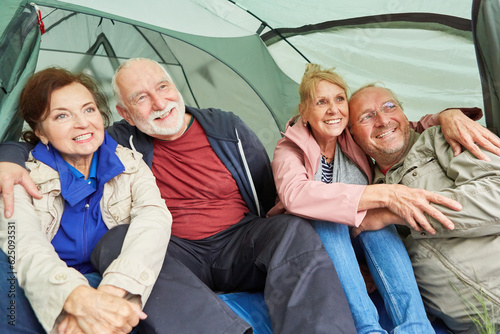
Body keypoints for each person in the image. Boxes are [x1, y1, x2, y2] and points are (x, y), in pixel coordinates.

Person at [0, 58, 358, 333]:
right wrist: (7, 158)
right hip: (175, 252)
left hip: (237, 240)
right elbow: (23, 236)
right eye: (141, 98)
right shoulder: (120, 142)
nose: (159, 102)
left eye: (163, 87)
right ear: (124, 113)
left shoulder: (221, 129)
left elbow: (263, 192)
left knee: (290, 229)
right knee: (119, 240)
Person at [268, 63, 475, 333]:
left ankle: (416, 327)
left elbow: (402, 127)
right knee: (329, 219)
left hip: (354, 240)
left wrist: (447, 115)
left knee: (376, 221)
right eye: (321, 102)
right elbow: (296, 195)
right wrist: (377, 193)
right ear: (304, 113)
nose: (333, 110)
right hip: (311, 244)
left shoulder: (351, 137)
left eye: (339, 99)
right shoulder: (289, 149)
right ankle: (368, 328)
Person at [0, 67, 172, 333]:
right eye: (62, 116)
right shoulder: (20, 173)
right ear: (41, 133)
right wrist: (75, 297)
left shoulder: (130, 163)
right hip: (46, 284)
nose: (82, 123)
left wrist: (110, 296)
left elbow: (155, 219)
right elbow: (21, 242)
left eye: (89, 110)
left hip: (111, 283)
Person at [348, 84, 500, 333]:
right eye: (367, 116)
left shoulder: (442, 138)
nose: (383, 120)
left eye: (389, 107)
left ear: (405, 116)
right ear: (351, 135)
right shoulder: (367, 194)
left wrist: (397, 212)